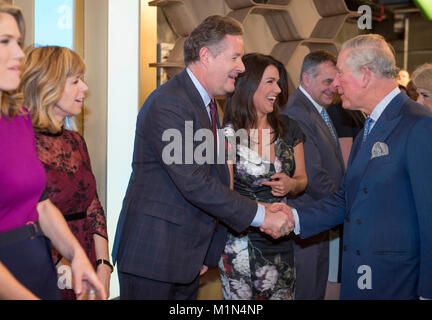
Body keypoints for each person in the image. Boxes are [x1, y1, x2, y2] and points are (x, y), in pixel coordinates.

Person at [112, 15, 292, 300]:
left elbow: (216, 179)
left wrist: (206, 250)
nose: (242, 67)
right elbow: (194, 182)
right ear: (206, 56)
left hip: (184, 256)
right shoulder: (171, 102)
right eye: (235, 57)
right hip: (154, 256)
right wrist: (260, 216)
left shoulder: (205, 106)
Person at [286, 34, 432, 299]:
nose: (336, 83)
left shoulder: (419, 125)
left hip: (396, 284)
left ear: (365, 75)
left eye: (341, 73)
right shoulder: (369, 126)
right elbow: (348, 199)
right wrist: (292, 218)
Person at [0, 1, 105, 300]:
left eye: (18, 43)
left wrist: (79, 255)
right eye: (5, 42)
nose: (20, 54)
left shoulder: (17, 117)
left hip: (37, 264)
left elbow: (42, 205)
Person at [19, 46, 112, 300]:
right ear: (48, 86)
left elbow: (93, 204)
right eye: (76, 81)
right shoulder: (21, 143)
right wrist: (62, 261)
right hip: (43, 261)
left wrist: (104, 264)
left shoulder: (76, 141)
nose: (85, 88)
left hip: (86, 256)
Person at [218, 53, 307, 300]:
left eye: (278, 82)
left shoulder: (289, 129)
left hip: (281, 240)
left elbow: (302, 180)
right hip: (240, 242)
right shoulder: (227, 135)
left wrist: (291, 185)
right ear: (249, 86)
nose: (278, 89)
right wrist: (263, 210)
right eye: (270, 82)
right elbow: (224, 194)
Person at [282, 50, 345, 300]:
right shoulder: (297, 112)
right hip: (309, 219)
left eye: (336, 81)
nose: (334, 88)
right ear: (307, 79)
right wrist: (343, 206)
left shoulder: (316, 108)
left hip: (319, 220)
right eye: (327, 81)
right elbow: (313, 175)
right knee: (307, 291)